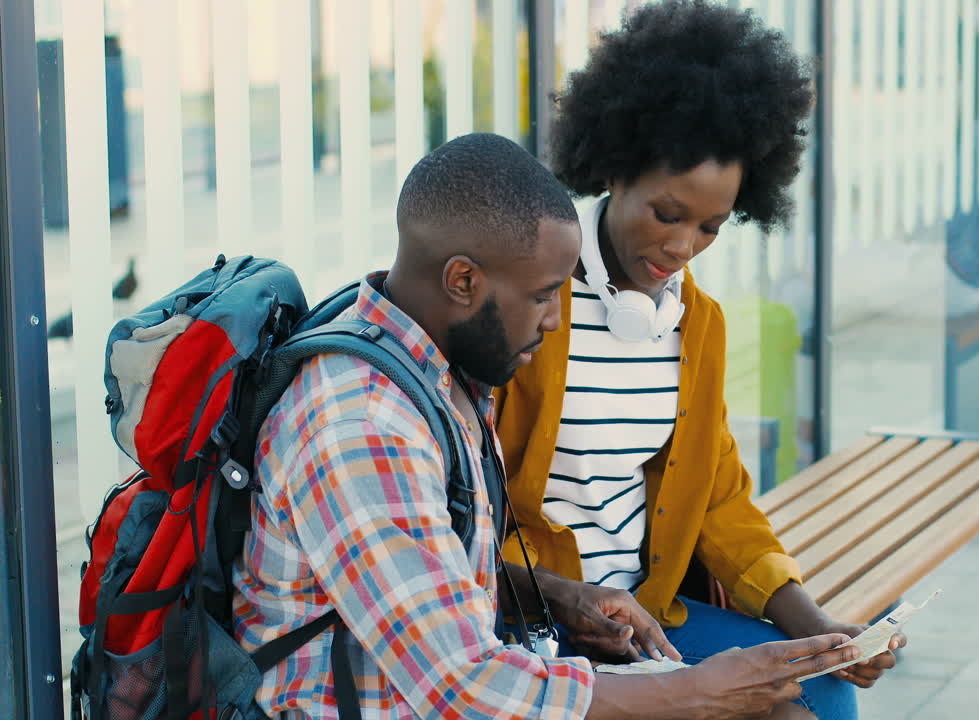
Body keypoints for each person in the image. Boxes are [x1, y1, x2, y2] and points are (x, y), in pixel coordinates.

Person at [232, 132, 858, 719]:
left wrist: (556, 595)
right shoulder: (363, 424)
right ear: (463, 280)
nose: (557, 320)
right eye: (542, 296)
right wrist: (690, 692)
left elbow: (445, 585)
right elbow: (466, 689)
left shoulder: (433, 366)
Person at [492, 4, 902, 719]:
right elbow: (462, 502)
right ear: (616, 172)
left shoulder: (696, 323)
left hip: (646, 618)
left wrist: (817, 627)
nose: (683, 247)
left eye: (711, 226)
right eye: (667, 213)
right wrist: (567, 598)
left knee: (827, 695)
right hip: (536, 618)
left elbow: (717, 494)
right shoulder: (531, 301)